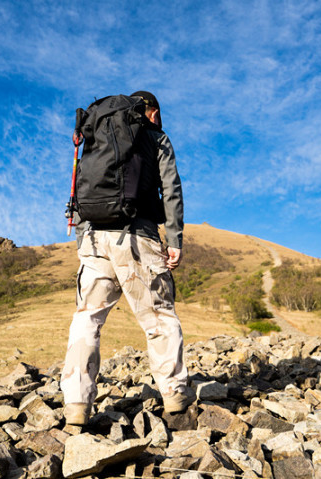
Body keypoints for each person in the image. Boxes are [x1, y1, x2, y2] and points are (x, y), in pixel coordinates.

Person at [60, 91, 195, 426]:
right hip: (138, 236)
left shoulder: (98, 134)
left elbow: (81, 190)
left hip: (93, 238)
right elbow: (171, 188)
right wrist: (174, 238)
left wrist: (82, 239)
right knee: (159, 318)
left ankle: (76, 405)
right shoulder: (156, 137)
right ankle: (177, 402)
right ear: (151, 112)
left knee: (87, 319)